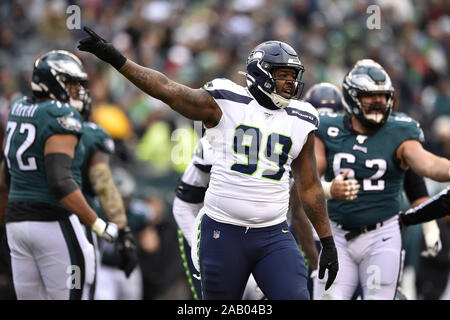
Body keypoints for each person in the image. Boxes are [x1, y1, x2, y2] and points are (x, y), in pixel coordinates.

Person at [78, 27, 338, 300]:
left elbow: (309, 186)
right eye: (282, 75)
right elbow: (168, 90)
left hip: (273, 234)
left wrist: (327, 241)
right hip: (223, 233)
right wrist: (117, 59)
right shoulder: (227, 100)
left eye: (293, 76)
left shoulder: (302, 117)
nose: (290, 83)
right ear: (261, 73)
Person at [314, 58, 450, 300]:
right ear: (352, 95)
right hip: (335, 234)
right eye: (370, 95)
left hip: (381, 236)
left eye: (383, 95)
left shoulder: (400, 130)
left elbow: (429, 165)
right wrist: (329, 189)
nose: (378, 101)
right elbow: (306, 180)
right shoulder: (328, 127)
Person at [0, 50, 118, 300]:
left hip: (17, 224)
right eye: (71, 82)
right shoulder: (62, 115)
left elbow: (6, 173)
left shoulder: (17, 107)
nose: (77, 89)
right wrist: (97, 223)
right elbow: (60, 182)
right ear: (52, 80)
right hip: (54, 222)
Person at [173, 135, 320, 299]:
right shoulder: (214, 143)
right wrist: (202, 249)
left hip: (267, 234)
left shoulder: (292, 138)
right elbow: (183, 205)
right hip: (210, 232)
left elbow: (298, 209)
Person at [78, 114, 139, 299]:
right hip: (72, 221)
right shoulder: (92, 134)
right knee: (77, 289)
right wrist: (117, 229)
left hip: (26, 217)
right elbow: (102, 185)